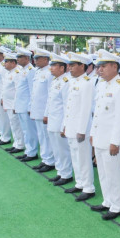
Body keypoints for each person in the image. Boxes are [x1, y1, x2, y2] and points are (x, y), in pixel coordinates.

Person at [89, 49, 120, 220]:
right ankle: (107, 201)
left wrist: (115, 142)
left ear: (115, 66)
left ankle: (117, 205)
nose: (99, 69)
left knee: (113, 174)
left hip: (111, 141)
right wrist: (93, 133)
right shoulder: (102, 85)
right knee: (103, 172)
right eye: (98, 66)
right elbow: (97, 113)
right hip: (100, 137)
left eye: (104, 66)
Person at [63, 52, 95, 202]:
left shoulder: (87, 83)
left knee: (83, 158)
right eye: (69, 65)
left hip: (80, 129)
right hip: (71, 127)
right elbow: (68, 107)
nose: (69, 68)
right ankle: (79, 183)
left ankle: (88, 187)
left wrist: (82, 130)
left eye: (73, 65)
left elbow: (85, 109)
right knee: (75, 157)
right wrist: (65, 126)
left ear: (82, 66)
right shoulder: (73, 81)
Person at [45, 53, 73, 186]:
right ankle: (60, 172)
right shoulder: (56, 81)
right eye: (51, 66)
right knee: (56, 149)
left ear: (62, 68)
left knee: (63, 150)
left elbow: (67, 105)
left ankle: (66, 174)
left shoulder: (66, 82)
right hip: (52, 120)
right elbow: (50, 101)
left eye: (54, 66)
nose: (51, 68)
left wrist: (64, 125)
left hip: (60, 121)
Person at [30, 48, 55, 172]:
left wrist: (47, 113)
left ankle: (50, 161)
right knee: (41, 135)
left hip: (45, 110)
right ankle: (45, 159)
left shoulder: (50, 73)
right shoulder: (37, 72)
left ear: (45, 59)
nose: (35, 61)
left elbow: (51, 94)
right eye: (34, 58)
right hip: (38, 109)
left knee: (46, 136)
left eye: (37, 59)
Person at [14, 47, 39, 162]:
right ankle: (28, 150)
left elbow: (31, 91)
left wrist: (30, 107)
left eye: (19, 57)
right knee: (25, 130)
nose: (17, 59)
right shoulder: (22, 70)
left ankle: (32, 152)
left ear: (26, 58)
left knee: (30, 131)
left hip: (26, 106)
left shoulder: (31, 71)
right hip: (20, 105)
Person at [0, 52, 25, 154]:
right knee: (13, 124)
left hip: (13, 104)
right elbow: (5, 88)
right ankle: (16, 142)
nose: (4, 64)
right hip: (8, 103)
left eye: (6, 62)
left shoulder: (17, 73)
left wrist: (15, 105)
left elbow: (17, 91)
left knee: (16, 125)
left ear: (12, 63)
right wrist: (3, 99)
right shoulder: (8, 73)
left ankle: (20, 144)